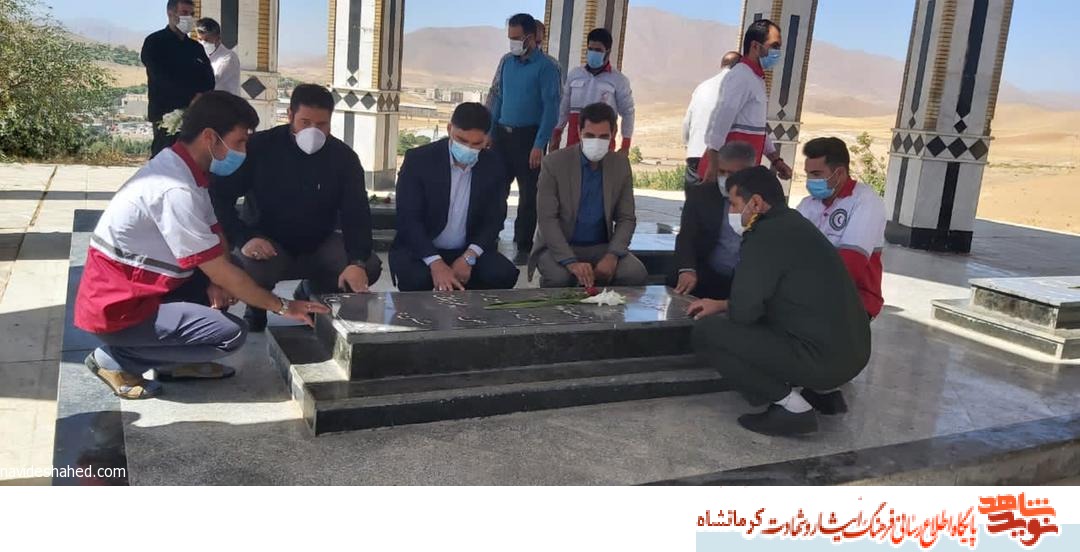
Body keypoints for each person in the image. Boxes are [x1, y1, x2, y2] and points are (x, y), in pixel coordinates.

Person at [74, 91, 329, 400]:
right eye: (239, 142)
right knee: (230, 334)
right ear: (210, 137)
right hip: (119, 308)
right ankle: (115, 360)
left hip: (148, 288)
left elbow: (215, 232)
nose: (243, 152)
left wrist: (216, 281)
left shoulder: (186, 170)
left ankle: (174, 363)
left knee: (229, 286)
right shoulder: (174, 188)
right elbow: (219, 267)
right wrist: (284, 306)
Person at [687, 166, 871, 436]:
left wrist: (729, 309)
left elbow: (745, 313)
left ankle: (791, 408)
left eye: (734, 204)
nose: (731, 212)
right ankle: (822, 394)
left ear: (756, 203)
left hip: (822, 360)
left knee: (708, 332)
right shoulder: (794, 223)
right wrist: (722, 303)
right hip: (853, 353)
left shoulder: (764, 236)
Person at [210, 84, 381, 332]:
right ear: (290, 115)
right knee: (247, 267)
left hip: (319, 243)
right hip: (267, 244)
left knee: (369, 266)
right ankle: (257, 306)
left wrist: (357, 261)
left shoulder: (343, 158)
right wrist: (243, 238)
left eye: (321, 124)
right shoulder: (259, 147)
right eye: (305, 122)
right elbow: (219, 197)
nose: (313, 131)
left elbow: (357, 213)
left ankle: (314, 295)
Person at [390, 103, 520, 292]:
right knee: (416, 279)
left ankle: (468, 305)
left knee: (503, 274)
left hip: (467, 249)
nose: (468, 148)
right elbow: (408, 219)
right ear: (450, 129)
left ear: (486, 139)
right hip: (422, 249)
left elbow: (494, 220)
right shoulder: (419, 160)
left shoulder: (494, 166)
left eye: (476, 144)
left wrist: (469, 257)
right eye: (461, 140)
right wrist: (435, 263)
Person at [529, 103, 647, 288]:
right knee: (560, 277)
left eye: (603, 137)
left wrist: (612, 255)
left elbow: (626, 218)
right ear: (579, 131)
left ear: (613, 133)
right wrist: (570, 262)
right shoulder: (554, 163)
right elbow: (547, 219)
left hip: (601, 247)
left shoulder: (620, 165)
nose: (596, 142)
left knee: (634, 272)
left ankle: (603, 303)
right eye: (590, 136)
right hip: (559, 246)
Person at [486, 13, 562, 264]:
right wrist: (490, 132)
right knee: (496, 189)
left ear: (530, 37)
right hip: (502, 135)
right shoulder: (507, 62)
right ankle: (489, 237)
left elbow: (551, 108)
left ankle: (523, 245)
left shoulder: (547, 67)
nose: (513, 43)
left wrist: (539, 144)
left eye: (517, 38)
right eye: (510, 37)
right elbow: (498, 98)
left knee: (529, 195)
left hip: (528, 138)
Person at [796, 137, 887, 319]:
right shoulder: (807, 204)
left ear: (839, 173)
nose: (810, 181)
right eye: (808, 174)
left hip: (854, 302)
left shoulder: (866, 202)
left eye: (816, 174)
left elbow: (850, 265)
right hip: (808, 297)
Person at [700, 20, 793, 183]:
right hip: (723, 175)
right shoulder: (741, 76)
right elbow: (721, 119)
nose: (777, 52)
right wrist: (713, 166)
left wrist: (776, 161)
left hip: (741, 174)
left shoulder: (755, 78)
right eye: (774, 46)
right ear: (755, 46)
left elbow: (757, 128)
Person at [669, 141, 756, 299]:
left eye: (732, 174)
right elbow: (686, 237)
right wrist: (687, 269)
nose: (726, 178)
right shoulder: (701, 195)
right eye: (722, 172)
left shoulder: (760, 200)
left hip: (746, 280)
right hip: (708, 275)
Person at [142, 0, 216, 157]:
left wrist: (200, 97)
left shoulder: (195, 47)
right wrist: (190, 96)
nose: (189, 17)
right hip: (166, 116)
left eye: (192, 14)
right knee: (165, 159)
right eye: (184, 13)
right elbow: (159, 77)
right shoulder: (155, 42)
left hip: (194, 116)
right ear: (170, 13)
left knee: (192, 160)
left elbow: (209, 79)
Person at [551, 28, 635, 154]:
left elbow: (628, 112)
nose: (593, 53)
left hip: (602, 145)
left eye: (598, 50)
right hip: (574, 143)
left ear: (608, 52)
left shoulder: (618, 80)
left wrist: (625, 145)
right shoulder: (575, 75)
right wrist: (557, 133)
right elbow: (564, 108)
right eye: (590, 49)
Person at [682, 51, 741, 190]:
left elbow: (687, 121)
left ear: (722, 65)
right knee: (717, 200)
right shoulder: (738, 88)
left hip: (695, 155)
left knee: (694, 200)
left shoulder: (702, 87)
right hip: (720, 159)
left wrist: (688, 145)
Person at [196, 17, 241, 96]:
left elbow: (213, 83)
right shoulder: (202, 56)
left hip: (223, 102)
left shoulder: (228, 58)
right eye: (200, 39)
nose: (202, 43)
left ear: (218, 38)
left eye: (206, 40)